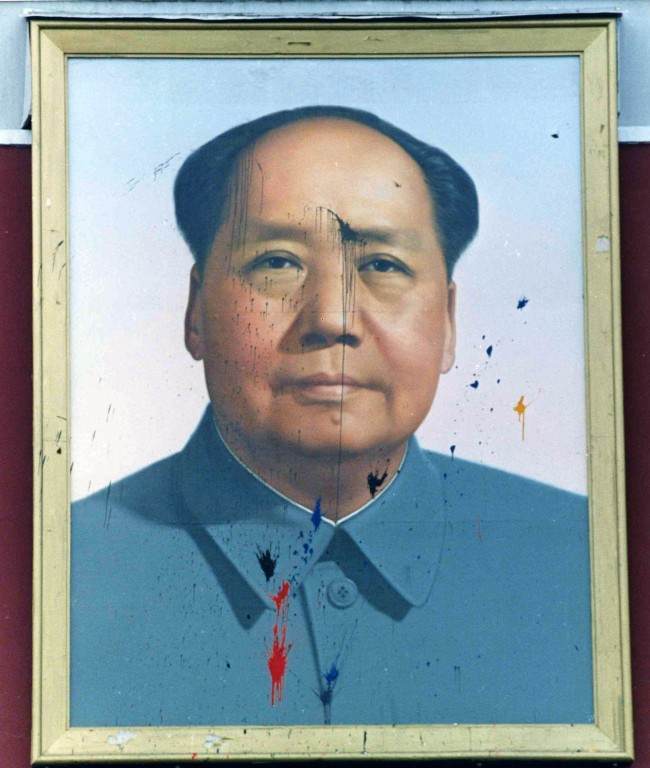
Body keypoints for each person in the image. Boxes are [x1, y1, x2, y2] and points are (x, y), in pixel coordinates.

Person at [71, 106, 592, 727]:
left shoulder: (583, 560)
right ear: (195, 311)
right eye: (277, 262)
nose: (332, 318)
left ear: (449, 321)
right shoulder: (65, 570)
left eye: (382, 266)